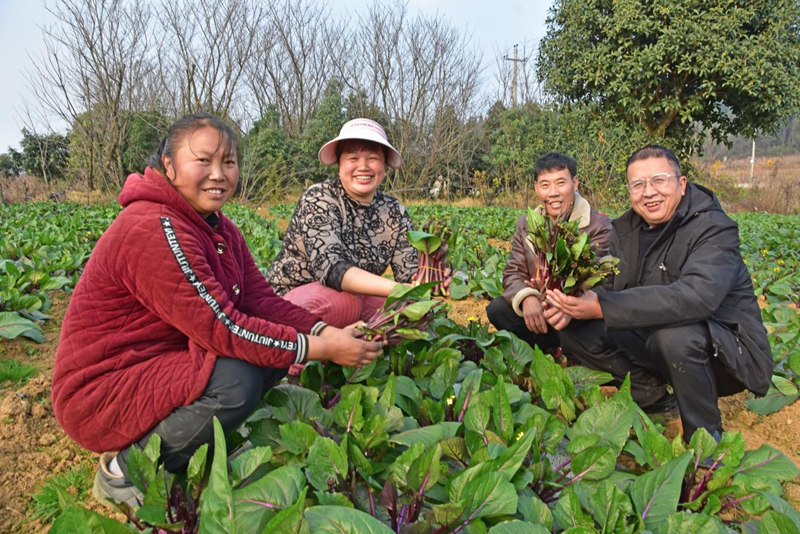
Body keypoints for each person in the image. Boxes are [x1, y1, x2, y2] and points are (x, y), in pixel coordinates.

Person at [52, 113, 383, 508]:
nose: (218, 174)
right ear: (169, 166)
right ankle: (124, 471)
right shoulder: (153, 227)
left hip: (157, 363)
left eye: (228, 162)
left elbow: (262, 302)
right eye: (203, 161)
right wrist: (322, 348)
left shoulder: (217, 227)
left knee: (269, 355)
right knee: (236, 381)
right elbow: (222, 327)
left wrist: (322, 331)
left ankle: (192, 451)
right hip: (101, 391)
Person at [545, 145, 773, 441]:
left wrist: (603, 306)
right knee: (575, 325)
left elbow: (696, 297)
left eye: (659, 181)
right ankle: (656, 399)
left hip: (725, 355)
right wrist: (572, 302)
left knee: (675, 336)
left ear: (681, 184)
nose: (648, 192)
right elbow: (608, 288)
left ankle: (705, 440)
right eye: (638, 184)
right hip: (657, 344)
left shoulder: (715, 229)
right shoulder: (625, 231)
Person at [267, 118, 421, 328]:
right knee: (346, 304)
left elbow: (411, 274)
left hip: (357, 298)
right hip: (293, 300)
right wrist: (399, 290)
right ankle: (295, 359)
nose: (363, 166)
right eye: (353, 158)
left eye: (373, 158)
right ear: (339, 165)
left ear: (384, 166)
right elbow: (332, 269)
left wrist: (437, 279)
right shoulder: (319, 198)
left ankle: (363, 357)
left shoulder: (394, 210)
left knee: (413, 311)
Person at [486, 152, 611, 357]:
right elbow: (513, 273)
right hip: (541, 310)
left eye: (560, 183)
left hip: (575, 313)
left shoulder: (599, 226)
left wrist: (563, 301)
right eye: (545, 185)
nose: (553, 193)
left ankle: (573, 354)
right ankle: (549, 350)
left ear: (575, 183)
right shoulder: (526, 224)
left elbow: (600, 281)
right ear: (536, 188)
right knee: (498, 309)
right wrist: (528, 298)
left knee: (591, 329)